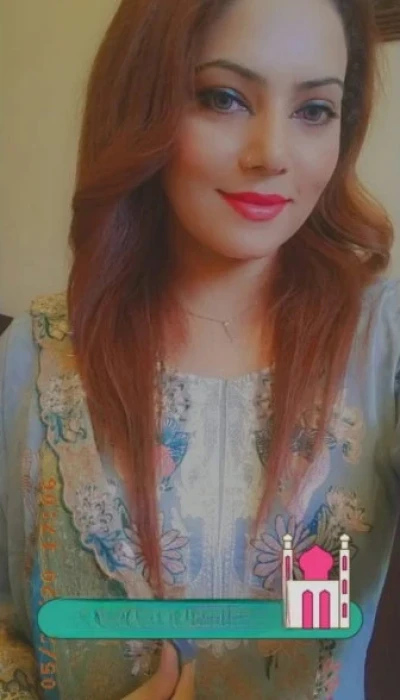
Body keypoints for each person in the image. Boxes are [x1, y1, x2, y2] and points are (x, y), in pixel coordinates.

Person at [0, 0, 398, 697]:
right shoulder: (33, 358)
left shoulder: (382, 343)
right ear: (142, 105)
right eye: (223, 98)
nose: (273, 153)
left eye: (314, 110)